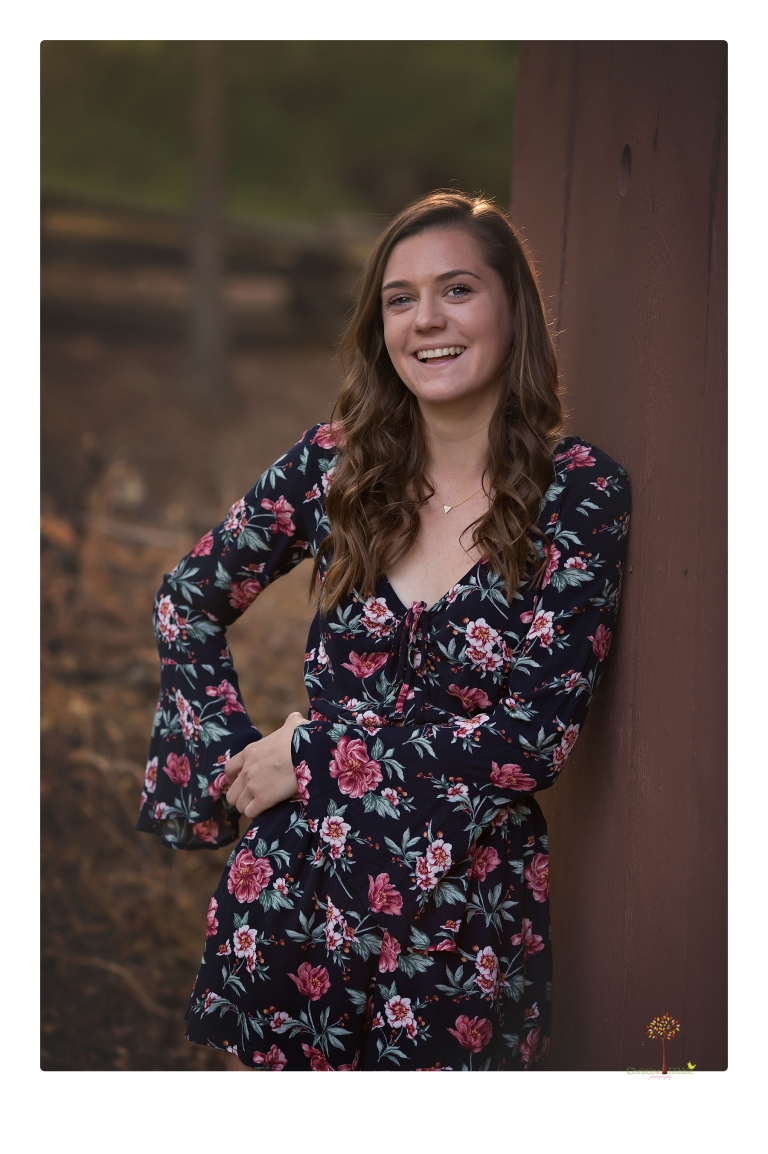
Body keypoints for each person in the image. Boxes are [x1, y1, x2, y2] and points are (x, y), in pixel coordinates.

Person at [137, 191, 631, 1071]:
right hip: (298, 891)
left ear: (514, 308)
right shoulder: (334, 466)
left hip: (464, 914)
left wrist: (315, 754)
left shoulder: (580, 495)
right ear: (379, 326)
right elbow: (187, 601)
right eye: (400, 299)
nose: (427, 320)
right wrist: (231, 766)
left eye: (458, 290)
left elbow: (531, 743)